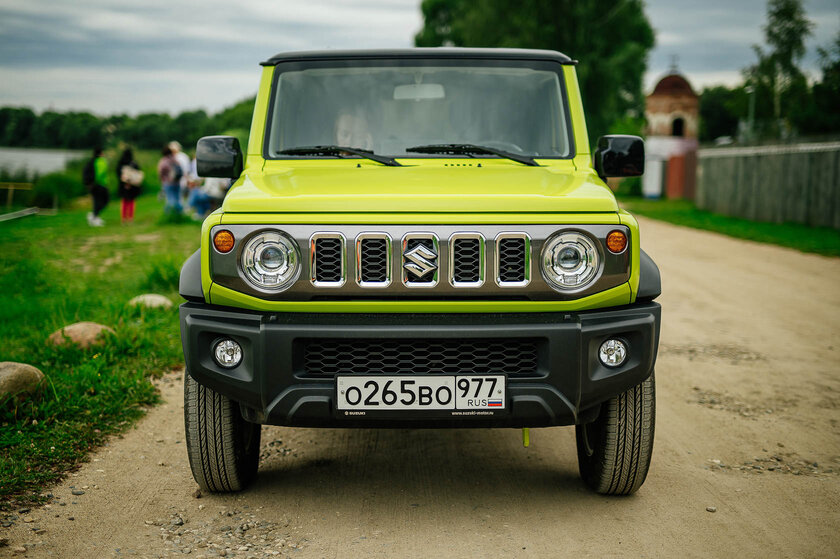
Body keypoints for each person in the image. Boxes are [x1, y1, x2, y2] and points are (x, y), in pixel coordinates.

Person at [82, 146, 109, 227]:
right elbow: (100, 173)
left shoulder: (92, 161)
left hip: (93, 185)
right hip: (100, 185)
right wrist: (97, 182)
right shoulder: (101, 161)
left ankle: (94, 216)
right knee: (104, 201)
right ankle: (94, 217)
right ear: (101, 153)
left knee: (97, 202)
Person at [116, 148, 143, 224]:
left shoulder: (120, 163)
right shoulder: (133, 163)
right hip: (132, 185)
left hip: (123, 185)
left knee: (124, 201)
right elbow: (138, 173)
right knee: (131, 202)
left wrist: (124, 182)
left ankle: (123, 218)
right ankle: (130, 218)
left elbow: (118, 173)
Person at [157, 146, 182, 214]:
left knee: (170, 199)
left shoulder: (163, 161)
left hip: (168, 183)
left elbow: (160, 173)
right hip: (177, 182)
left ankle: (170, 214)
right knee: (177, 199)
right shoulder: (175, 160)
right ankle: (179, 214)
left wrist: (162, 181)